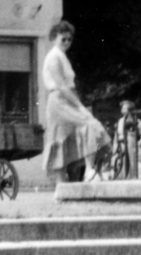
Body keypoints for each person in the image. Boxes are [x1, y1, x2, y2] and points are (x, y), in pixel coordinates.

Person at [41, 20, 110, 192]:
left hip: (63, 100)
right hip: (59, 101)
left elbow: (69, 86)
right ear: (54, 38)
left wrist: (79, 104)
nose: (66, 42)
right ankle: (86, 172)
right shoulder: (54, 57)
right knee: (87, 126)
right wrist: (80, 106)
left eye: (69, 40)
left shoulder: (61, 56)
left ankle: (73, 181)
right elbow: (62, 86)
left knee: (66, 138)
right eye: (63, 39)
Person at [115, 100, 141, 178]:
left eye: (124, 108)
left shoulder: (136, 121)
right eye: (122, 108)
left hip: (131, 145)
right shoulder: (120, 121)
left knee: (132, 166)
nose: (122, 109)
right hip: (121, 147)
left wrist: (138, 144)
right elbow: (116, 137)